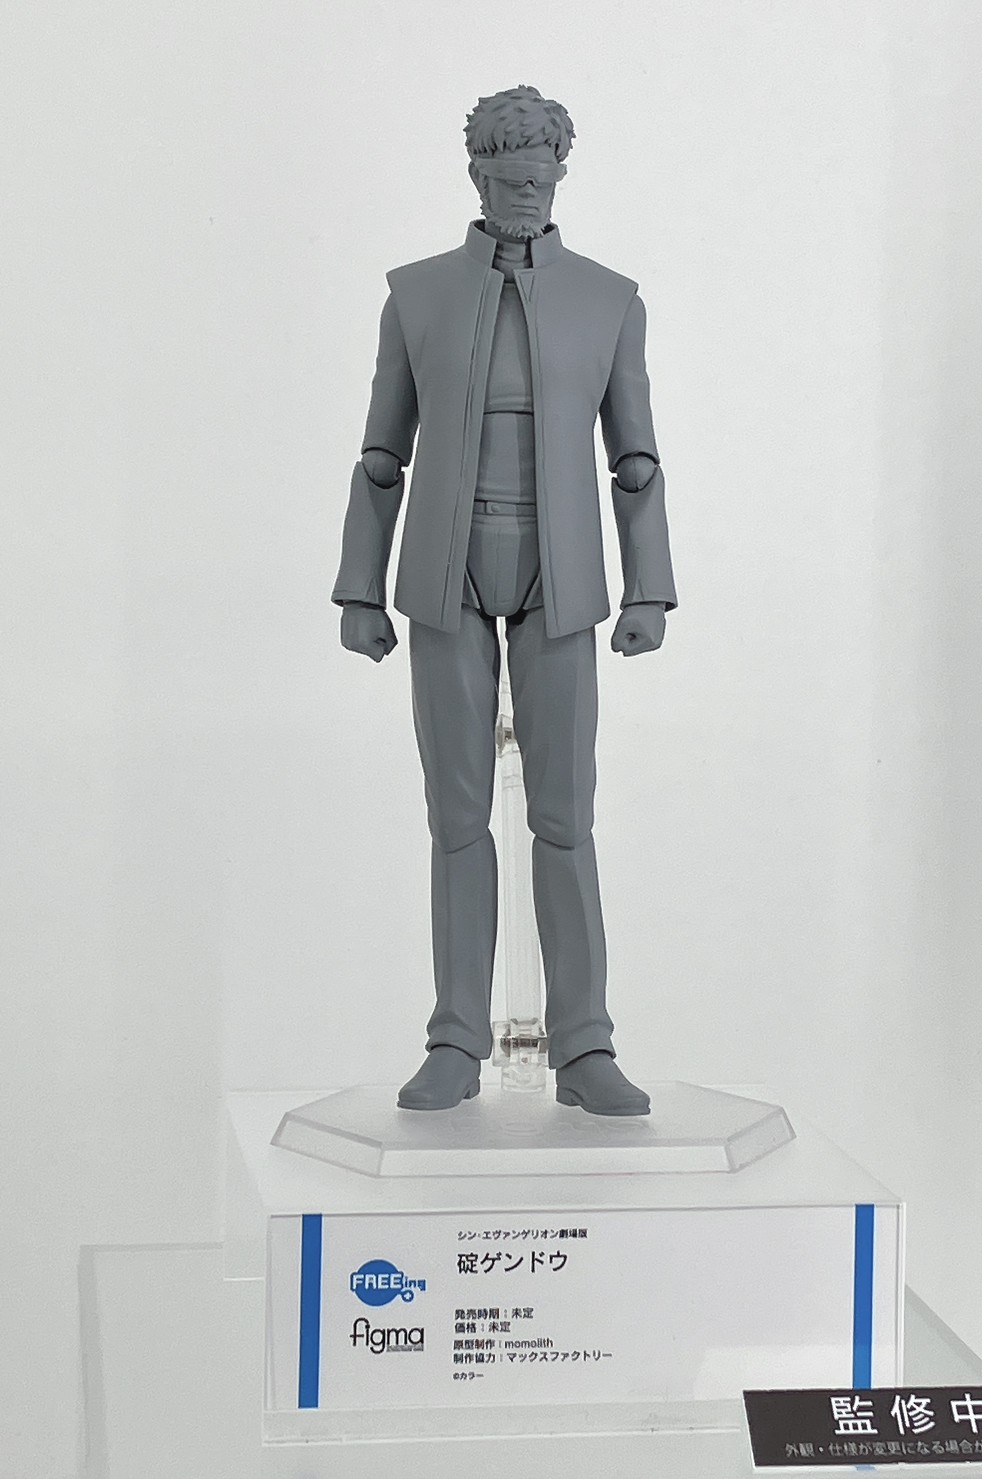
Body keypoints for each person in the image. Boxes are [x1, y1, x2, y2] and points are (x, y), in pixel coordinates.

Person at [333, 85, 676, 1114]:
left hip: (560, 582)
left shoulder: (609, 300)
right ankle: (455, 1036)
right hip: (443, 579)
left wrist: (649, 588)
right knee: (456, 816)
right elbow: (382, 454)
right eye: (508, 178)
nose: (526, 195)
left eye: (541, 178)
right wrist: (360, 589)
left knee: (564, 818)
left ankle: (583, 1045)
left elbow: (635, 459)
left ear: (560, 175)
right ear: (477, 175)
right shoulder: (416, 296)